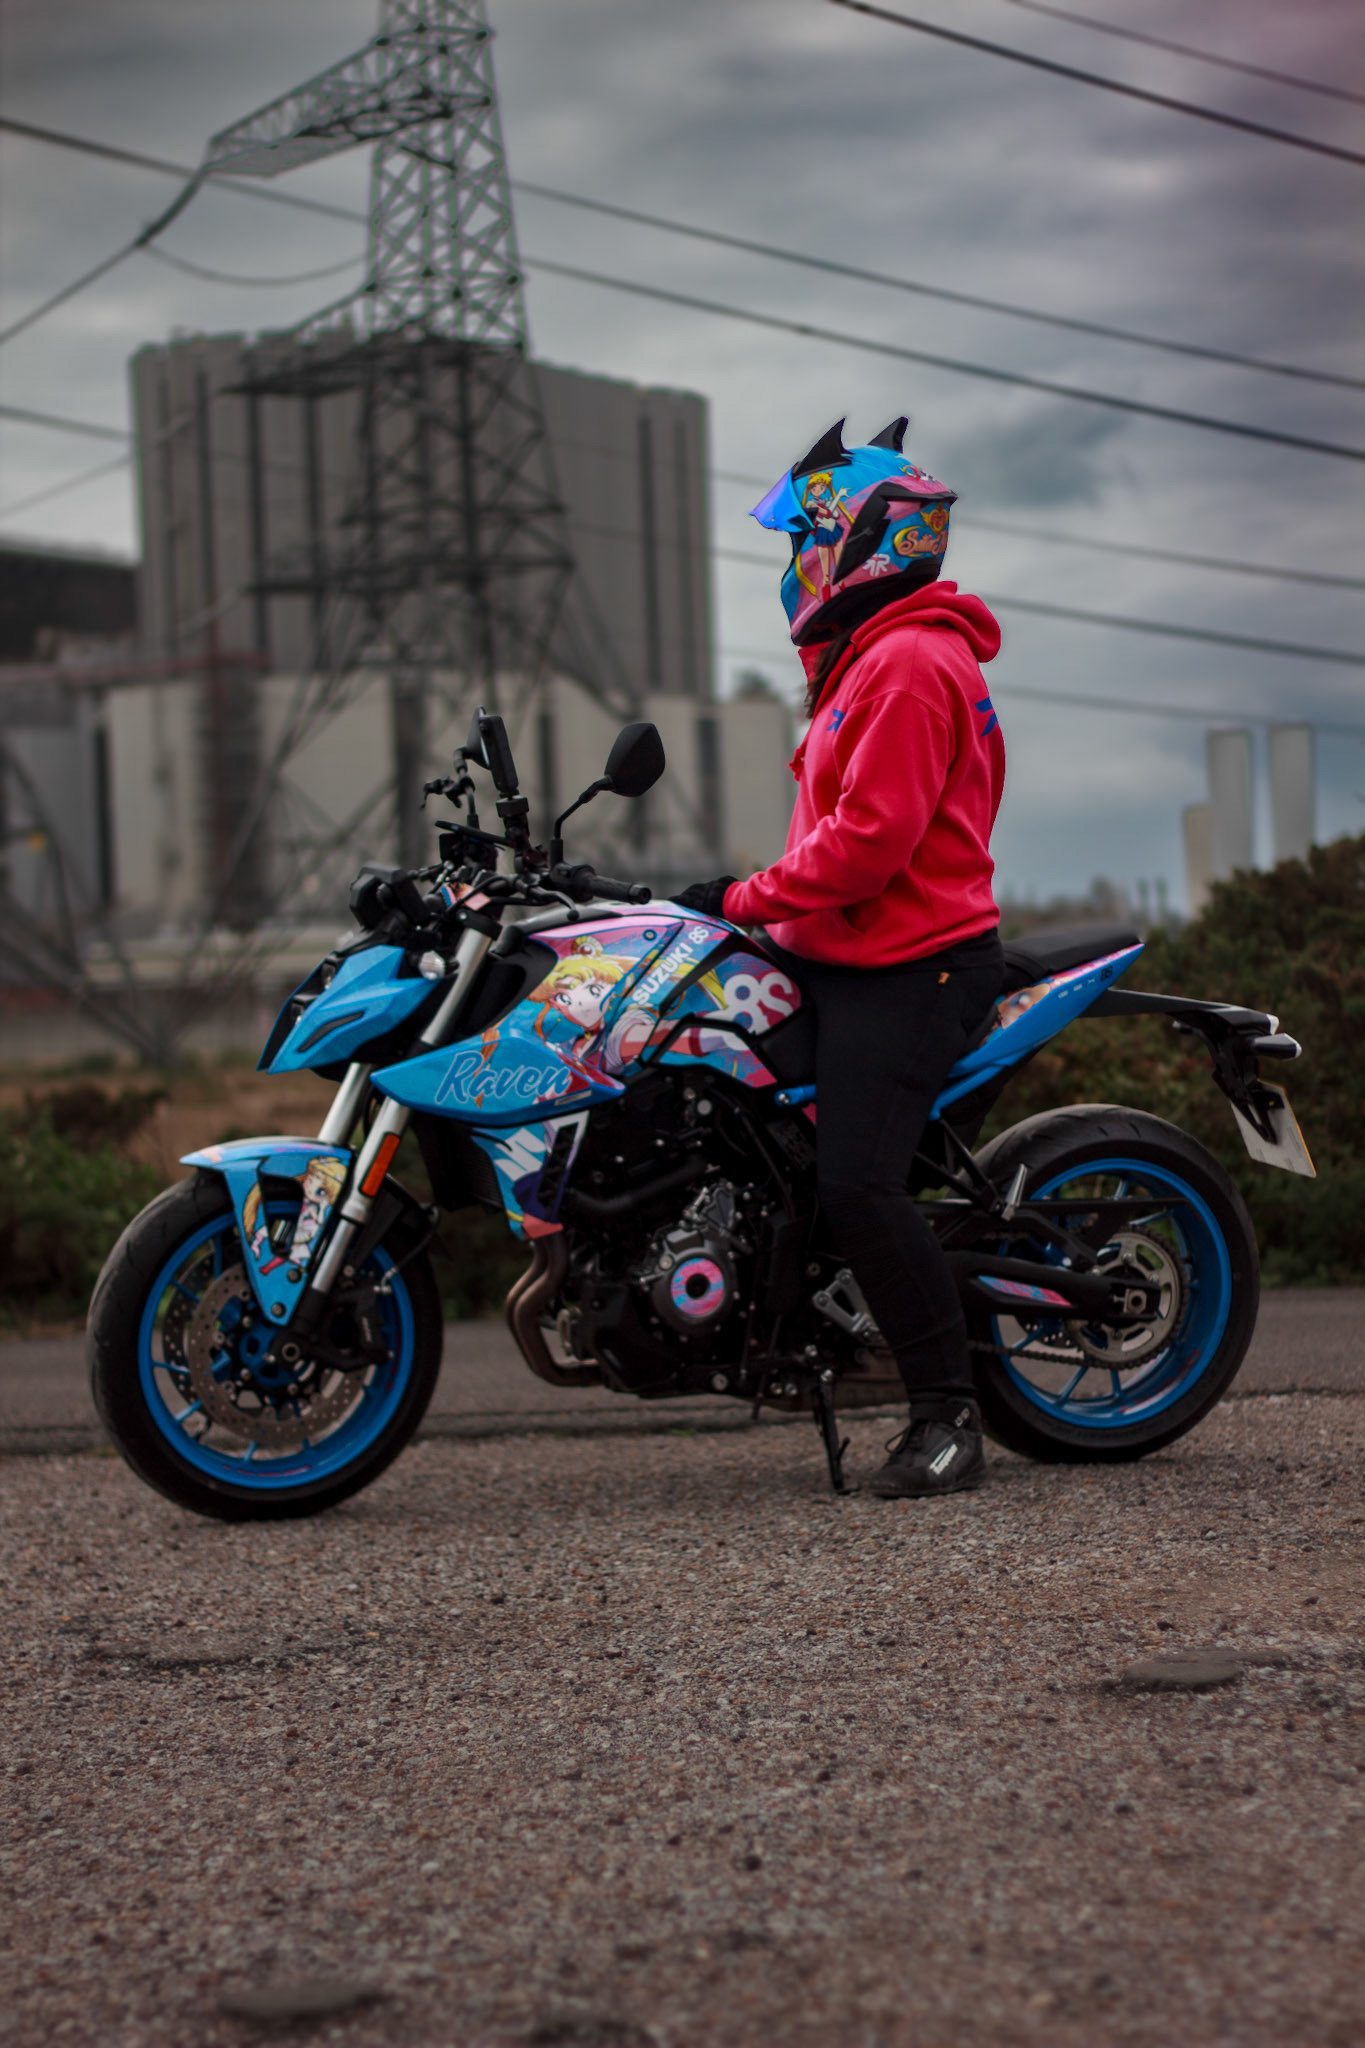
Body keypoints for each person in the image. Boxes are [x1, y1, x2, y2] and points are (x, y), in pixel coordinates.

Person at [676, 416, 1006, 1499]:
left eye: (799, 540)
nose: (792, 563)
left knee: (858, 1182)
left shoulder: (906, 664)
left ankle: (949, 1417)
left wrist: (739, 896)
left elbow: (868, 847)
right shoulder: (870, 656)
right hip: (843, 951)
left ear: (856, 540)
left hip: (915, 965)